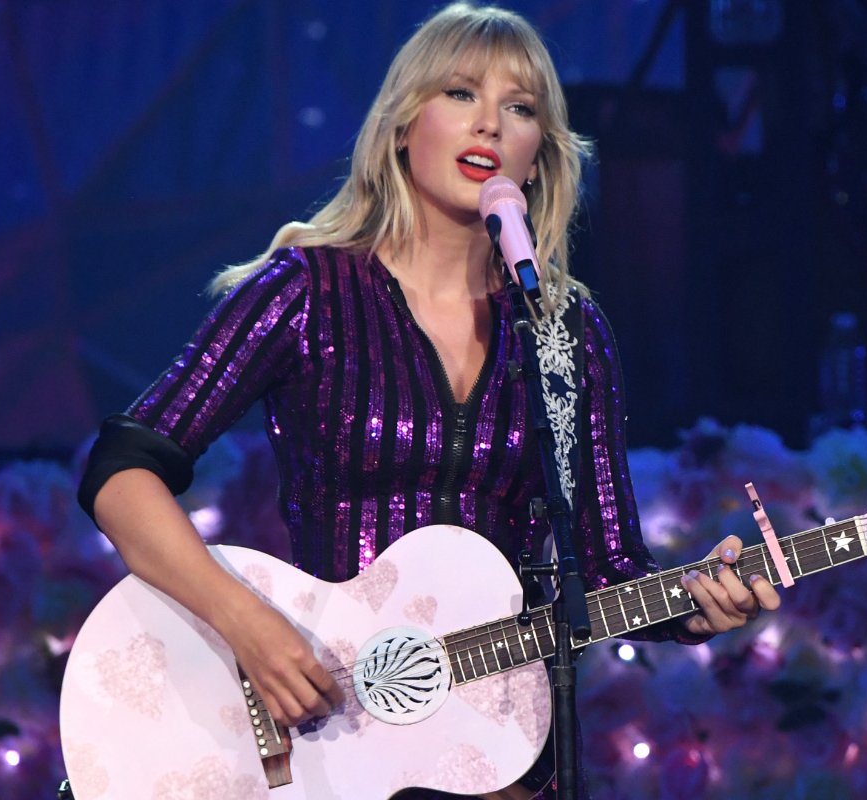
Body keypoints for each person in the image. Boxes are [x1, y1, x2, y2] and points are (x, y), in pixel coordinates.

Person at [76, 3, 781, 797]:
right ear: (403, 124)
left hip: (494, 749)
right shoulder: (307, 291)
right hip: (323, 734)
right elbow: (121, 470)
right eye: (460, 94)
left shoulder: (565, 330)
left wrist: (698, 608)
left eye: (518, 109)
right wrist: (250, 627)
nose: (489, 125)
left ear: (538, 156)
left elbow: (609, 569)